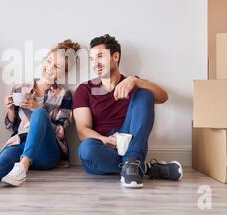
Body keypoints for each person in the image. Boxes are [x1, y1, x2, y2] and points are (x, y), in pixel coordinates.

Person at [0, 40, 80, 190]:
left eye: (57, 66)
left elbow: (60, 132)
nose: (49, 68)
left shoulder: (65, 95)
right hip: (21, 143)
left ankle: (23, 167)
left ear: (64, 72)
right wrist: (10, 109)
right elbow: (11, 126)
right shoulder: (20, 88)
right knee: (4, 161)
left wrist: (37, 108)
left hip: (47, 152)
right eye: (49, 61)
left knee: (39, 113)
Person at [73, 34, 182, 189]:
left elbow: (163, 97)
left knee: (145, 93)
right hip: (102, 147)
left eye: (99, 57)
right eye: (91, 59)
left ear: (115, 56)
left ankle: (132, 160)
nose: (95, 63)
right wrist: (104, 139)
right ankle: (143, 168)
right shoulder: (84, 90)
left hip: (130, 142)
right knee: (86, 149)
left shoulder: (131, 83)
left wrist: (136, 81)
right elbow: (83, 131)